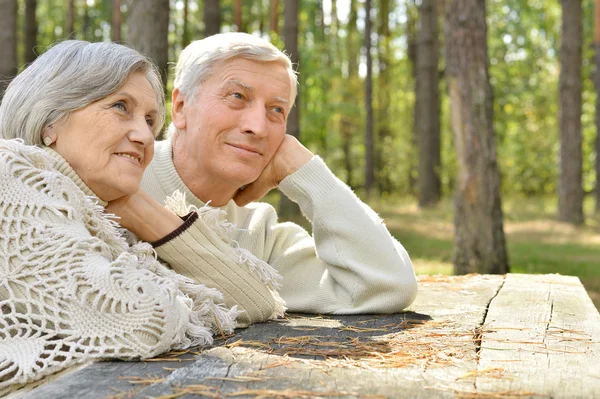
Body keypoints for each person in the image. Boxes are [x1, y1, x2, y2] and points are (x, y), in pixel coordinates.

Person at [0, 40, 280, 395]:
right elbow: (140, 318)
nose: (145, 136)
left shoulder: (99, 220)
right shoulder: (10, 175)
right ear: (50, 120)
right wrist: (186, 300)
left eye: (150, 120)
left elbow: (255, 300)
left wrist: (143, 211)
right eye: (120, 107)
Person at [140, 32, 419, 323]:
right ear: (181, 108)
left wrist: (307, 173)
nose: (258, 127)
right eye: (237, 97)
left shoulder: (260, 237)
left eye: (276, 110)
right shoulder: (110, 184)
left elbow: (388, 285)